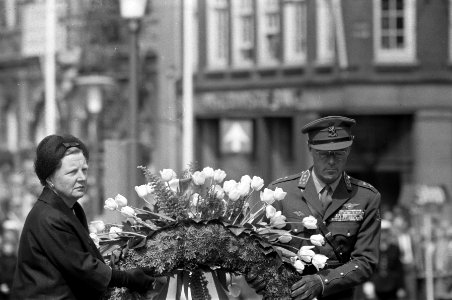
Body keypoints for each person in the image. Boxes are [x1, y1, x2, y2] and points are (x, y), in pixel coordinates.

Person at [248, 116, 381, 300]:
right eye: (323, 154)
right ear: (310, 148)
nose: (331, 161)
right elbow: (258, 249)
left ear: (349, 150)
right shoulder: (281, 193)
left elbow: (365, 261)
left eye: (339, 153)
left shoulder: (366, 197)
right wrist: (259, 276)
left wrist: (322, 282)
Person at [11, 134, 156, 299]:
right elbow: (85, 268)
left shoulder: (68, 208)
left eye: (84, 170)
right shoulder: (49, 217)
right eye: (72, 172)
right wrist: (129, 278)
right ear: (50, 177)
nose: (82, 178)